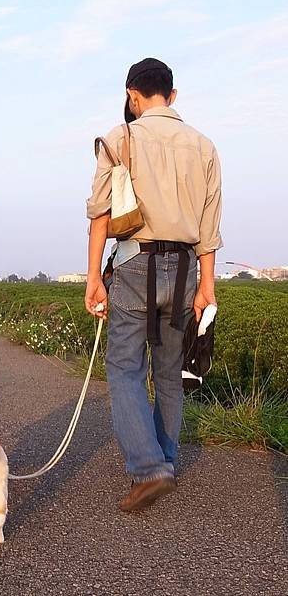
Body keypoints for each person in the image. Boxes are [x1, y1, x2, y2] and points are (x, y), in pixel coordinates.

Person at [85, 58, 222, 512]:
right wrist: (208, 287)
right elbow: (209, 227)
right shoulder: (204, 146)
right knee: (167, 372)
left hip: (134, 265)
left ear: (132, 95)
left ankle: (149, 469)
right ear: (173, 95)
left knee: (124, 368)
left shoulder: (121, 137)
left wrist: (93, 279)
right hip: (184, 270)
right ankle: (165, 458)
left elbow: (100, 214)